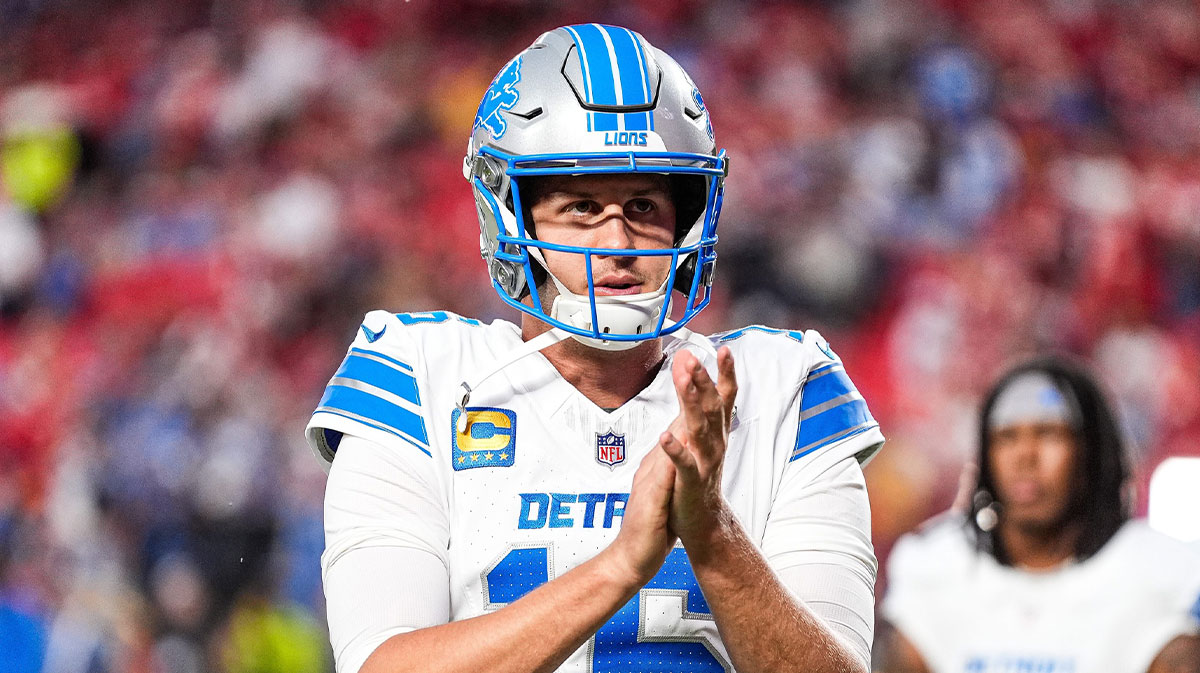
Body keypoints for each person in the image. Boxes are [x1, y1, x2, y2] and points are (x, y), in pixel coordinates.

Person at [307, 24, 885, 673]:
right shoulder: (418, 376)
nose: (619, 241)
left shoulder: (783, 387)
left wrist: (713, 538)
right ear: (510, 218)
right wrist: (619, 566)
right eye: (581, 206)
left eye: (643, 204)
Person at [880, 357, 1200, 673]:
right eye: (1007, 436)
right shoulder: (933, 565)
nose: (1025, 456)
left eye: (1048, 434)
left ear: (1092, 451)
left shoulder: (1163, 573)